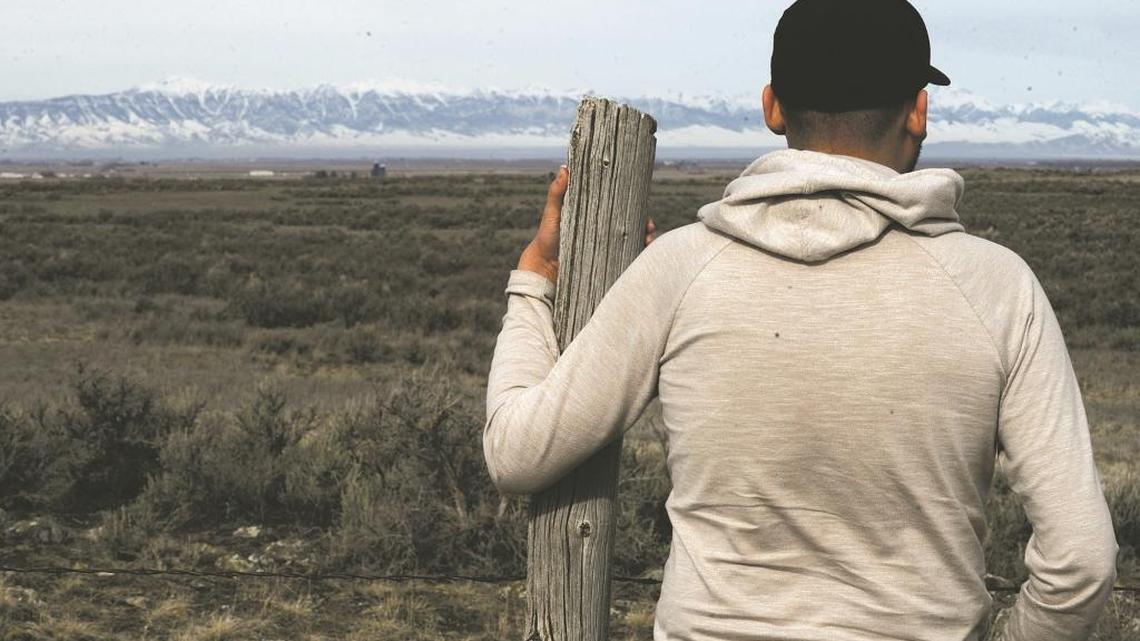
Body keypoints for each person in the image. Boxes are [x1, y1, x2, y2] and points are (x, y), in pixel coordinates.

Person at [483, 0, 1119, 639]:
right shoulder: (999, 288)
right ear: (919, 109)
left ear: (772, 107)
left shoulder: (680, 268)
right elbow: (1081, 562)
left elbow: (517, 452)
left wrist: (535, 280)